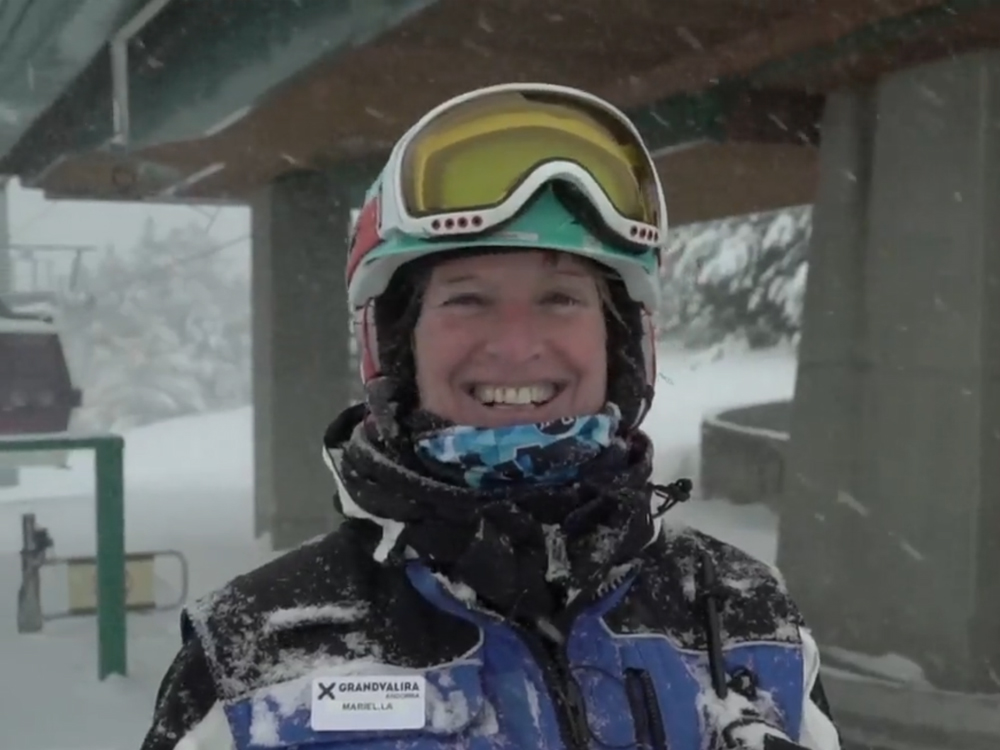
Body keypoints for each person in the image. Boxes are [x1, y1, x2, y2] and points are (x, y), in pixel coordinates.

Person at [141, 83, 841, 750]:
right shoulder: (257, 649)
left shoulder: (747, 616)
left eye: (560, 298)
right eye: (467, 299)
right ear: (396, 347)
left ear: (622, 344)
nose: (514, 345)